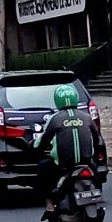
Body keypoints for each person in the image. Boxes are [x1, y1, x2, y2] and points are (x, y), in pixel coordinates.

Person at [36, 82, 101, 215]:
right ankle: (96, 197)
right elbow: (97, 139)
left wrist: (35, 148)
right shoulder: (87, 117)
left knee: (42, 167)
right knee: (97, 174)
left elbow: (42, 142)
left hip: (63, 164)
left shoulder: (54, 119)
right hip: (86, 162)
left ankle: (49, 203)